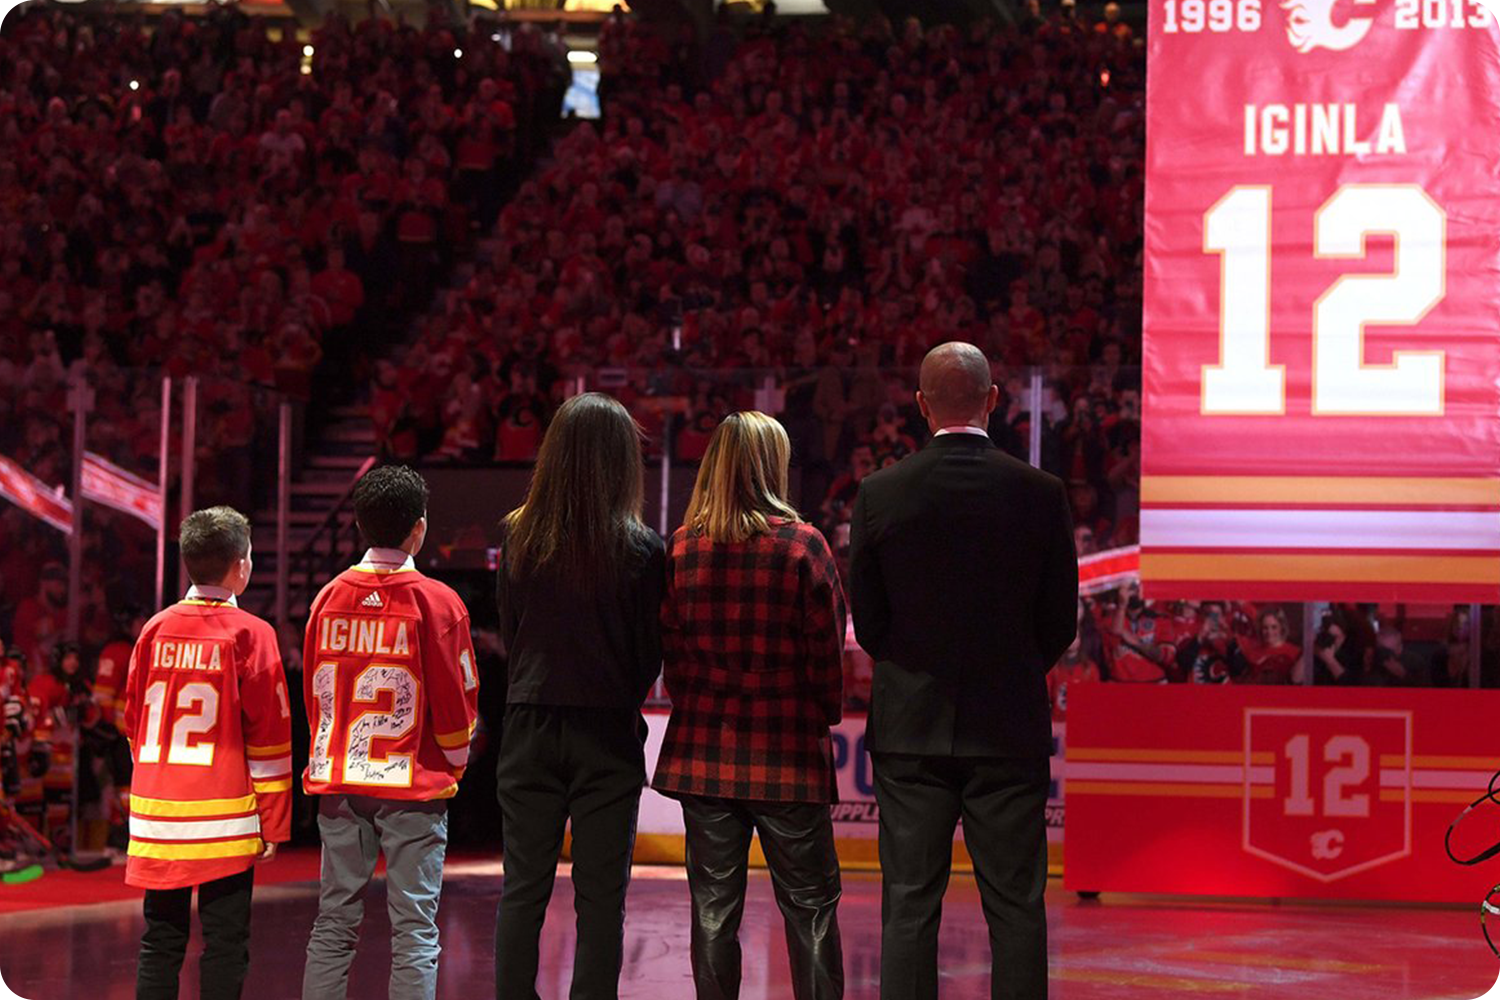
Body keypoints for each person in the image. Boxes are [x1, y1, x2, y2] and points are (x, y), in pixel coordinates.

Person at [849, 343, 1077, 1000]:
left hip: (911, 732)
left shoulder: (880, 494)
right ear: (994, 400)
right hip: (1008, 731)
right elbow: (1058, 620)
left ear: (921, 406)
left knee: (908, 907)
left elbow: (870, 624)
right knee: (1015, 907)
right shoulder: (1041, 494)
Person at [653, 411, 847, 1000]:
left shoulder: (681, 548)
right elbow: (827, 660)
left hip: (704, 754)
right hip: (788, 754)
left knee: (713, 912)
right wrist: (819, 712)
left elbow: (672, 659)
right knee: (810, 909)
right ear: (774, 467)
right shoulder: (803, 546)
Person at [493, 392, 666, 1000]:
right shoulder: (643, 550)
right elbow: (650, 653)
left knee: (523, 887)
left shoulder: (518, 536)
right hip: (607, 729)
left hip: (530, 721)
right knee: (601, 899)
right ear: (621, 462)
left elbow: (512, 634)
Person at [301, 466, 479, 1000]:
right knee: (415, 933)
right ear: (419, 529)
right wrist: (457, 760)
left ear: (358, 524)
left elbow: (316, 694)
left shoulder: (326, 598)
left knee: (332, 926)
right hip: (413, 788)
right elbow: (456, 703)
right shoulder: (439, 602)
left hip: (339, 782)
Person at [122, 506, 293, 1000]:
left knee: (159, 940)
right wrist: (274, 822)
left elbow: (133, 725)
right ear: (241, 566)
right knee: (225, 943)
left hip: (158, 818)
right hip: (225, 822)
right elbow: (270, 737)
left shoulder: (154, 628)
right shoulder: (252, 634)